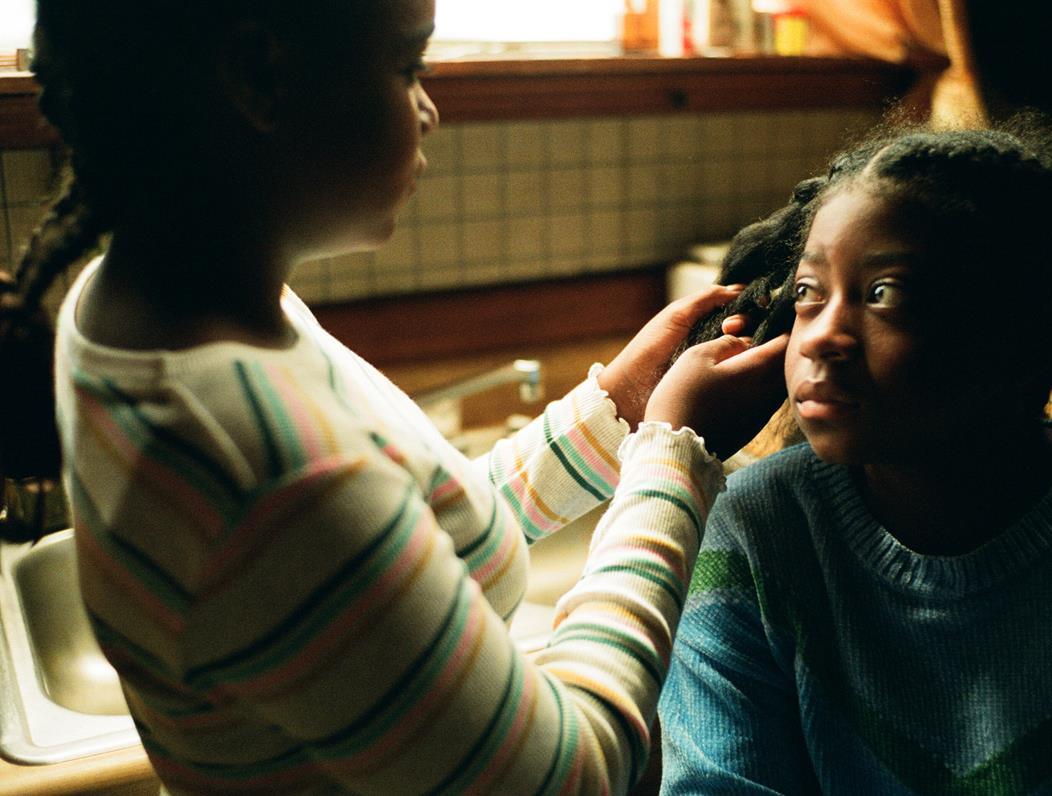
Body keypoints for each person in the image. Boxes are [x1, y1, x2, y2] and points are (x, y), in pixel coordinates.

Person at [0, 1, 791, 793]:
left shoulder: (163, 307)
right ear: (259, 79)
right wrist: (671, 457)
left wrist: (614, 410)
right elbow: (571, 776)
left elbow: (413, 532)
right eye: (409, 67)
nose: (430, 111)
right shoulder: (265, 465)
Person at [657, 118, 1052, 793]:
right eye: (808, 294)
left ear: (1026, 332)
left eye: (886, 294)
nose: (823, 337)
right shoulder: (757, 533)